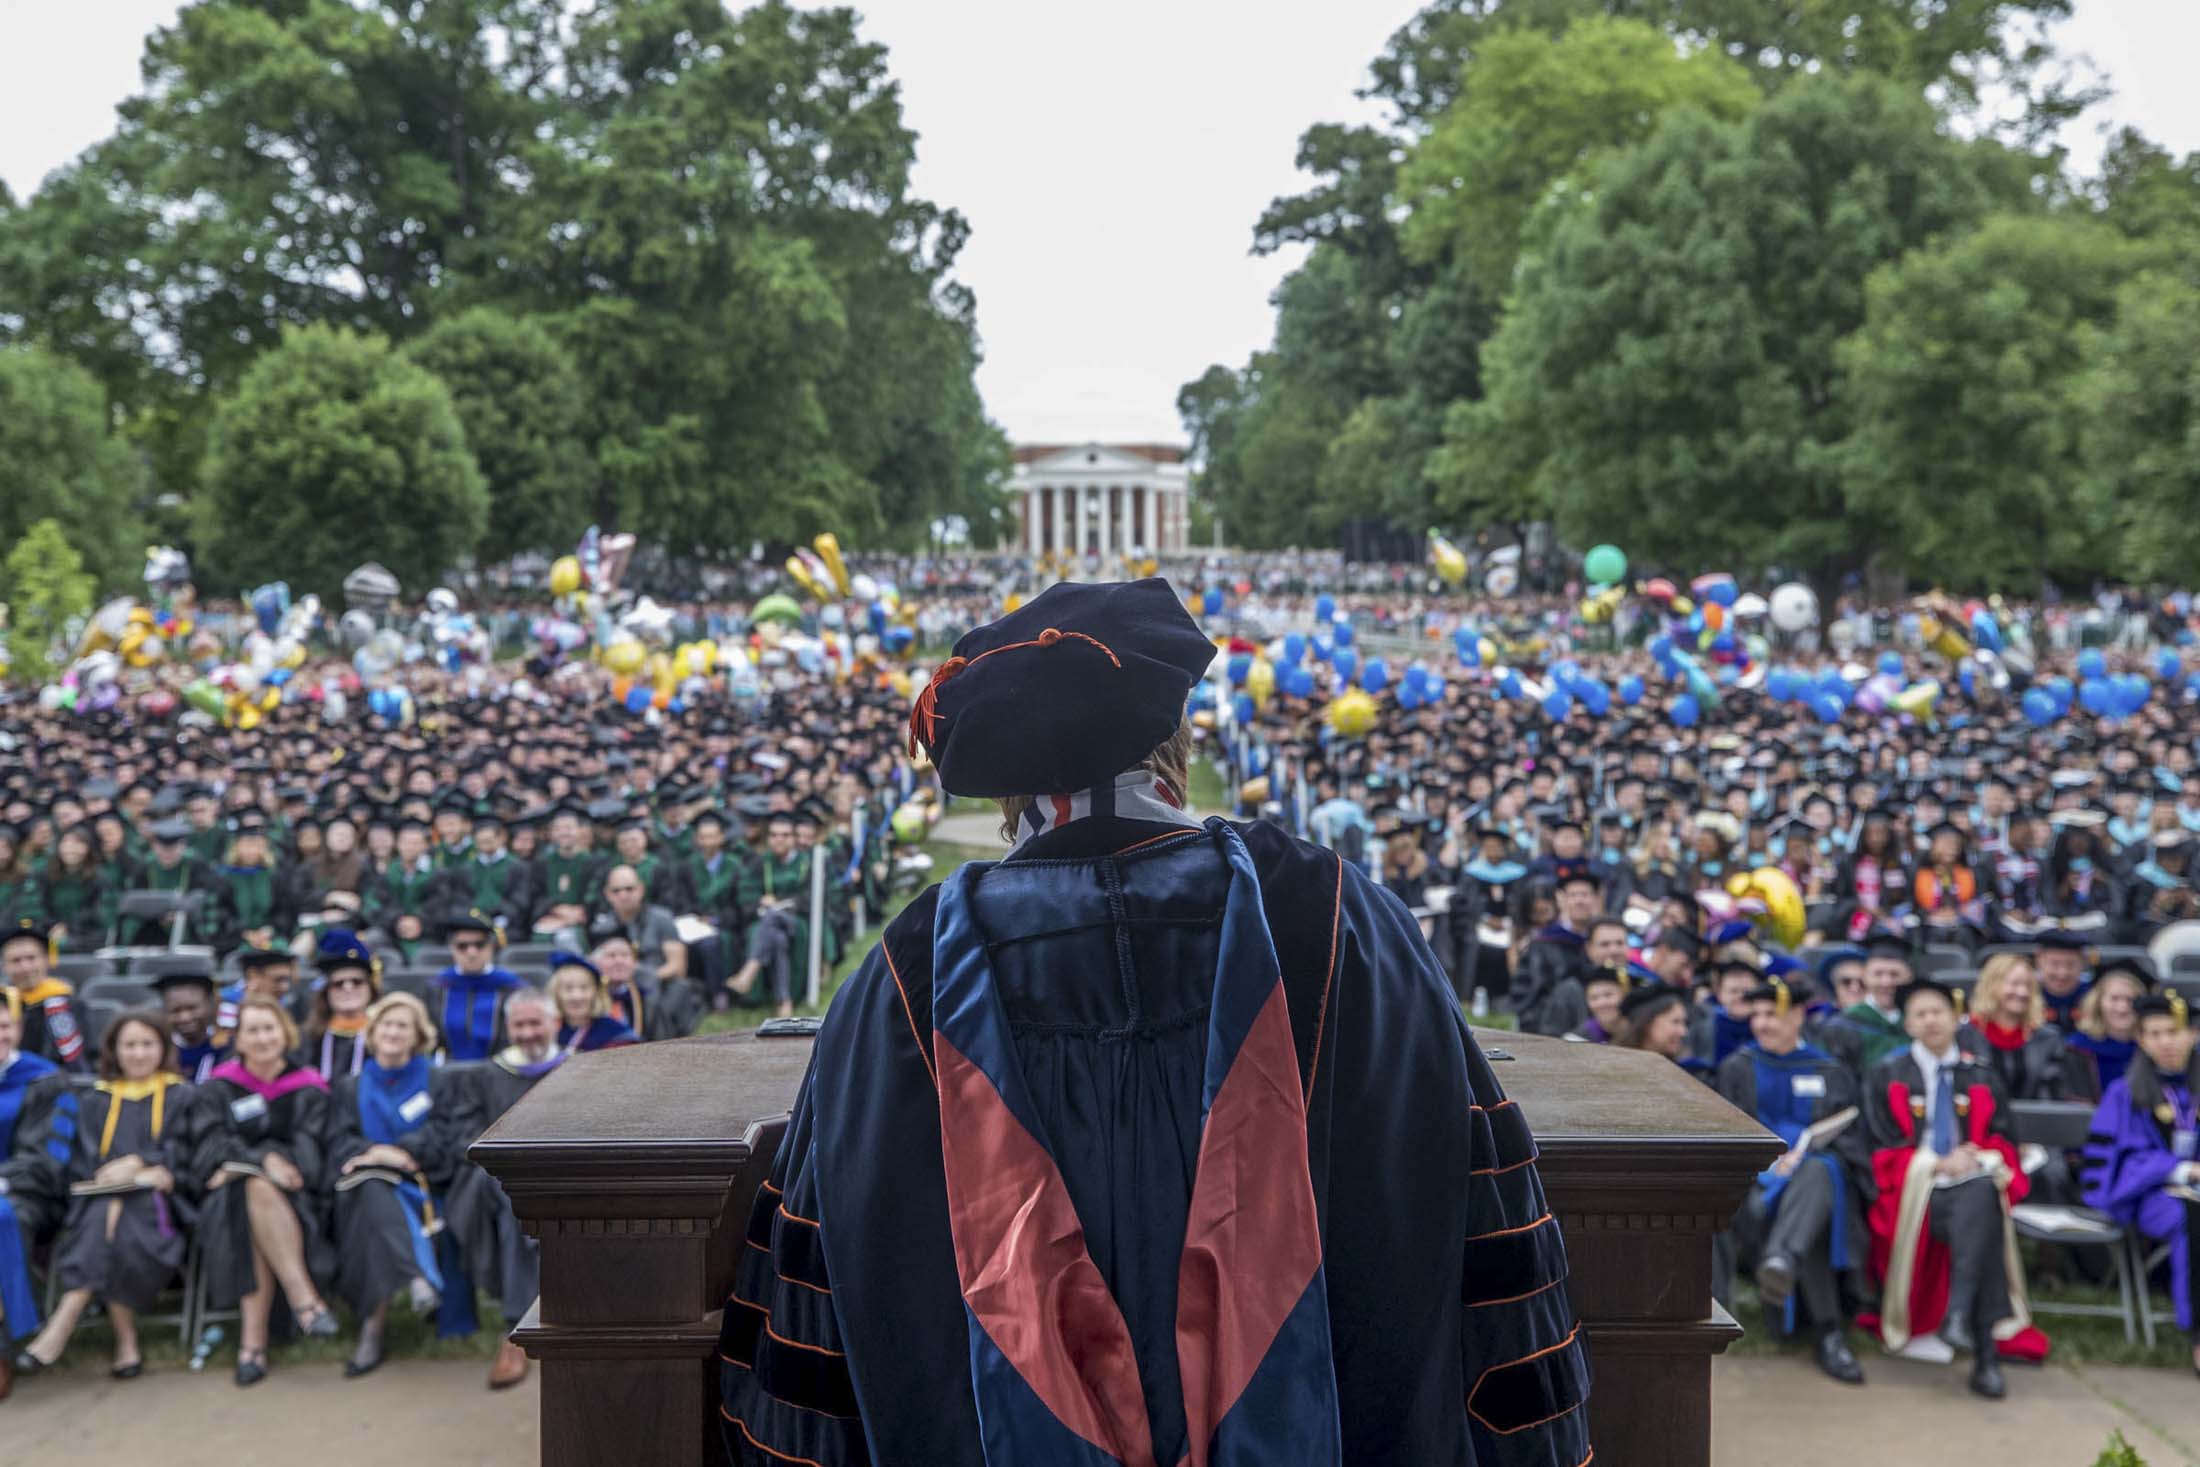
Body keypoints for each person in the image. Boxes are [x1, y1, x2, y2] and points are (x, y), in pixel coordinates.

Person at [717, 580, 1588, 1466]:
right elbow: (1487, 1218)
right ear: (1175, 738)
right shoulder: (1337, 920)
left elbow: (814, 1314)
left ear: (1007, 789)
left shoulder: (902, 978)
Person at [1862, 975, 2044, 1399]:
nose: (1929, 1021)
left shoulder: (1980, 1074)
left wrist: (1978, 1156)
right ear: (1907, 1024)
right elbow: (1878, 1148)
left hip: (1970, 1184)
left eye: (1937, 1012)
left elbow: (2004, 1140)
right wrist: (1935, 1163)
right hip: (1913, 1192)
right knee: (1982, 1217)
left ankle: (1960, 1316)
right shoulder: (1886, 1074)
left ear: (1955, 1018)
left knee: (1980, 1197)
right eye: (1919, 1014)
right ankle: (1983, 1354)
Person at [11, 1012, 192, 1383]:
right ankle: (124, 1342)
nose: (138, 1054)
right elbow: (80, 1164)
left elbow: (189, 1154)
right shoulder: (94, 1101)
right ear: (114, 1051)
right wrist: (109, 1175)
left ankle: (71, 1313)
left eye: (147, 1044)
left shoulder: (182, 1095)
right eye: (130, 1045)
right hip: (98, 1203)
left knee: (118, 1213)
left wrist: (145, 1163)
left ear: (162, 1049)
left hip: (162, 1206)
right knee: (109, 1208)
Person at [1714, 976, 1871, 1384]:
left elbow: (1850, 1141)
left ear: (1799, 1015)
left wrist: (1804, 1156)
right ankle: (1829, 1332)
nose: (1763, 1024)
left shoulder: (1829, 1070)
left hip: (1815, 1183)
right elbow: (1726, 1137)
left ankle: (1783, 1261)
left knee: (1821, 1171)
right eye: (1758, 1014)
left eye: (1774, 1014)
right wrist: (1768, 1164)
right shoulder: (1739, 1068)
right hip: (1755, 1186)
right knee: (1816, 1198)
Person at [188, 994, 341, 1386]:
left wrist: (251, 1163)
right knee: (250, 1190)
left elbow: (307, 1157)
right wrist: (263, 1161)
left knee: (250, 1189)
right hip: (226, 1203)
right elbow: (208, 1147)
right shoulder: (218, 1089)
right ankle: (304, 1299)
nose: (261, 1038)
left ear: (284, 1033)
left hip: (296, 1197)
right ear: (237, 1039)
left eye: (269, 1028)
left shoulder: (308, 1087)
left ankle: (251, 1344)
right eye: (252, 1030)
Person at [326, 991, 460, 1378]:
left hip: (420, 1184)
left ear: (418, 1035)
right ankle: (417, 1275)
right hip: (365, 1179)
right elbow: (339, 1141)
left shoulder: (434, 1079)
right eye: (386, 1024)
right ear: (373, 1031)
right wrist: (376, 1154)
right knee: (370, 1189)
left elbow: (442, 1134)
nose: (393, 1032)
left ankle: (372, 1330)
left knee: (372, 1210)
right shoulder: (351, 1085)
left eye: (403, 1025)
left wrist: (398, 1153)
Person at [440, 987, 565, 1391]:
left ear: (554, 1023)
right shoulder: (486, 1076)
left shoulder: (578, 1071)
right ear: (507, 1028)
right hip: (496, 1179)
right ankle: (518, 1329)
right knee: (512, 1198)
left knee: (523, 1203)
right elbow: (464, 1134)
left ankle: (525, 1327)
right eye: (519, 1025)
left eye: (535, 1023)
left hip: (567, 1178)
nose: (528, 1033)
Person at [2080, 991, 2200, 1376]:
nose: (2166, 1042)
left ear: (2193, 1035)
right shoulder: (2126, 1093)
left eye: (2174, 1032)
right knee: (2192, 1217)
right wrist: (2181, 1171)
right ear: (2142, 1041)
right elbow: (2121, 1159)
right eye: (2155, 1034)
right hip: (2151, 1196)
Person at [0, 1002, 72, 1398]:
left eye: (3, 1026)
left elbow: (48, 1158)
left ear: (17, 1029)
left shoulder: (44, 1080)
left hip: (27, 1194)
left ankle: (3, 1347)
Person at [1957, 952, 2080, 1102]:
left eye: (2028, 985)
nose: (2023, 992)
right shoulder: (1965, 1035)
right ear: (1991, 985)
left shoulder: (2048, 1039)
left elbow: (2055, 1095)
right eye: (2014, 984)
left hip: (2036, 1122)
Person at [727, 816, 811, 1017]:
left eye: (785, 835)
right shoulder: (760, 863)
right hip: (770, 923)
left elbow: (809, 899)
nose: (779, 840)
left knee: (773, 916)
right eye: (774, 835)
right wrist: (760, 902)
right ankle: (784, 1000)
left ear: (793, 838)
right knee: (777, 939)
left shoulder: (806, 863)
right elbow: (747, 896)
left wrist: (779, 901)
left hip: (797, 921)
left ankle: (749, 971)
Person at [430, 910, 527, 1063]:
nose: (472, 952)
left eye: (479, 944)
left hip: (500, 1071)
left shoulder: (511, 988)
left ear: (491, 946)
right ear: (452, 948)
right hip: (449, 1073)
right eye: (462, 946)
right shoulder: (438, 988)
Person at [1513, 866, 1601, 1035]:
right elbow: (1527, 999)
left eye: (1585, 895)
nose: (1579, 901)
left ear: (1596, 900)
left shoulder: (1607, 940)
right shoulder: (1542, 944)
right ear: (1561, 900)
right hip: (1553, 1031)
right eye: (1573, 895)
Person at [1, 917, 88, 1071]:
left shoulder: (68, 1004)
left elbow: (78, 1060)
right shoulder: (4, 1004)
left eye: (31, 958)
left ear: (46, 960)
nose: (25, 967)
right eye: (16, 960)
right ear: (4, 966)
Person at [2069, 955, 2156, 1101]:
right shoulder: (2076, 1050)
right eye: (2114, 998)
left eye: (2131, 1000)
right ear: (2098, 1002)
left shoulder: (2153, 1050)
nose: (2122, 1008)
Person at [210, 811, 297, 956]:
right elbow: (221, 912)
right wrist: (245, 933)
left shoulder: (275, 876)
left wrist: (271, 929)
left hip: (270, 936)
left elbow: (285, 910)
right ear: (236, 847)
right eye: (247, 845)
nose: (252, 850)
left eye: (257, 845)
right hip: (234, 940)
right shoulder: (223, 877)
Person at [301, 928, 383, 1081]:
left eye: (357, 982)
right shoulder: (306, 1040)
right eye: (338, 984)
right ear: (326, 992)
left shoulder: (385, 1038)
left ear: (371, 990)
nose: (348, 988)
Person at [529, 804, 602, 941]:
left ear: (580, 830)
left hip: (583, 922)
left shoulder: (594, 862)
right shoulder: (541, 863)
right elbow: (536, 895)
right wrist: (556, 909)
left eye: (569, 828)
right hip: (550, 918)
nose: (564, 833)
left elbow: (595, 896)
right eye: (558, 829)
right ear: (551, 833)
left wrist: (577, 914)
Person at [1841, 935, 1913, 1072]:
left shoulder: (1919, 1023)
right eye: (1878, 974)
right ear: (1865, 976)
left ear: (1909, 977)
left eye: (1895, 974)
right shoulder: (1845, 1024)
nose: (1886, 982)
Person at [547, 951, 637, 1052]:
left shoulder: (617, 1035)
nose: (577, 996)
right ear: (556, 993)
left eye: (584, 988)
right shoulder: (548, 1031)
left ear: (596, 993)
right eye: (568, 989)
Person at [155, 966, 223, 1081]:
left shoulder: (227, 1046)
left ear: (211, 1005)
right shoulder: (159, 1050)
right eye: (175, 1010)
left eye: (192, 1008)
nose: (185, 1018)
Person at [1615, 982, 1691, 1063]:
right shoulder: (1616, 1065)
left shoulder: (1685, 1070)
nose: (1683, 1032)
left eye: (1684, 1023)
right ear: (1646, 1022)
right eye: (1675, 1022)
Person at [2034, 928, 2093, 1030]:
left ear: (2083, 963)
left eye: (2070, 965)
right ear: (2039, 960)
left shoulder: (2093, 994)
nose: (2062, 974)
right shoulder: (2027, 993)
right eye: (2054, 964)